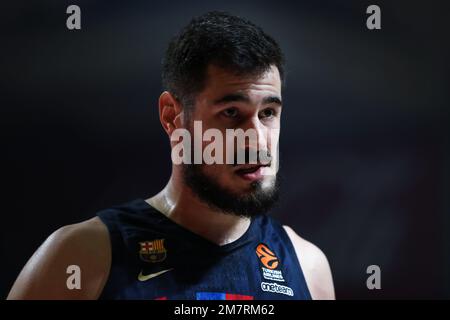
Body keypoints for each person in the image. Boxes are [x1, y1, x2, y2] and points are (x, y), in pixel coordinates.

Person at [7, 11, 335, 300]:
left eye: (268, 113)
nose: (256, 141)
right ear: (172, 116)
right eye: (231, 112)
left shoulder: (307, 267)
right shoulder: (83, 256)